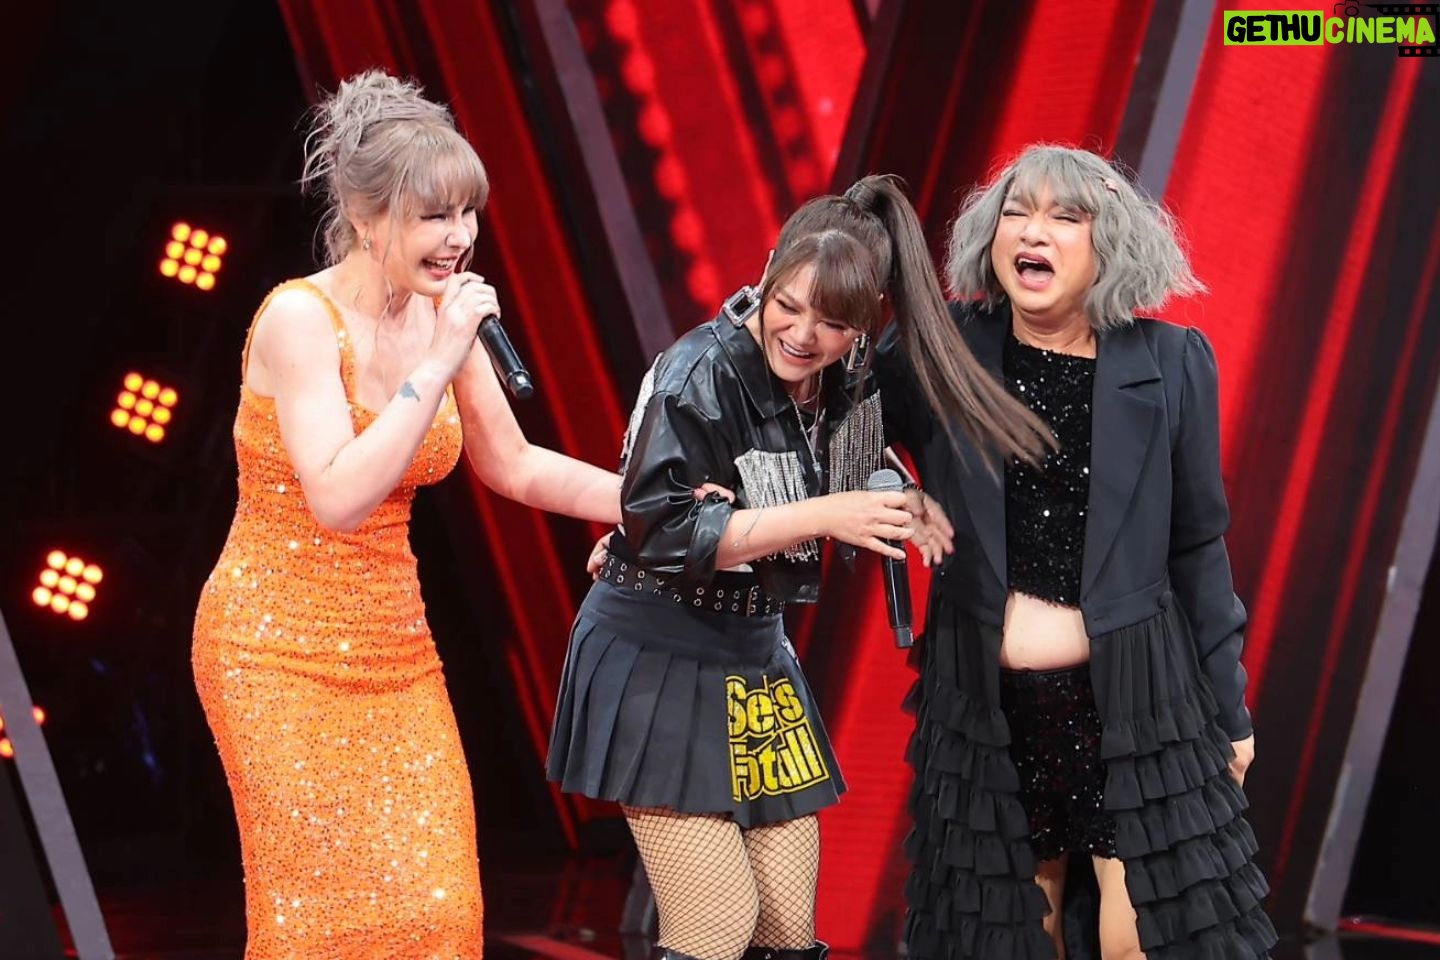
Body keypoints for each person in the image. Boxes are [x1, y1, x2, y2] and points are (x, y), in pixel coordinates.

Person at [550, 174, 1050, 960]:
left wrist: (897, 493)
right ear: (768, 271)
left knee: (787, 930)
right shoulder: (700, 373)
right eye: (788, 305)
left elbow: (847, 462)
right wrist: (825, 515)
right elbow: (661, 529)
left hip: (756, 658)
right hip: (658, 653)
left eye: (833, 322)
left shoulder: (846, 376)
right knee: (717, 927)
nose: (803, 334)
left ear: (865, 321)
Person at [191, 70, 622, 959]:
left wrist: (652, 503)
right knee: (322, 927)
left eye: (467, 214)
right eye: (435, 216)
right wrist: (440, 358)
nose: (460, 237)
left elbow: (515, 464)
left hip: (396, 649)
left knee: (438, 912)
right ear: (365, 216)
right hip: (274, 652)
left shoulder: (439, 316)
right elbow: (339, 496)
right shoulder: (300, 320)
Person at [878, 145, 1278, 960]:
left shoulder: (1170, 363)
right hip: (987, 712)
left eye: (1066, 216)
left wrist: (1231, 715)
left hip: (1138, 708)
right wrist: (891, 489)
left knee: (1147, 939)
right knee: (1014, 939)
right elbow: (830, 431)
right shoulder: (941, 347)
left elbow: (1199, 549)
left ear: (1111, 244)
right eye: (1017, 213)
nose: (1034, 231)